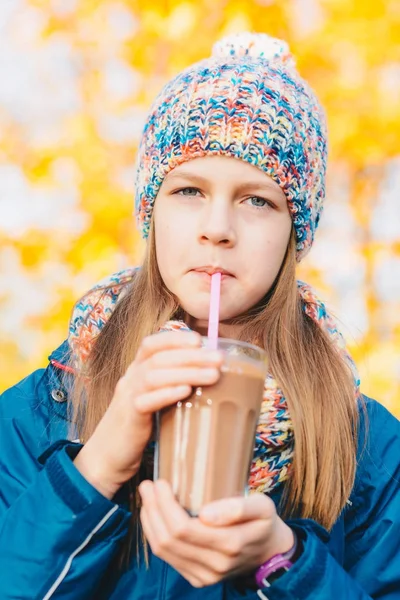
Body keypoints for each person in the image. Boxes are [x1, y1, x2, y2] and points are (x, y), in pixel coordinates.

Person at [0, 31, 399, 600]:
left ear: (295, 233)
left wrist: (283, 565)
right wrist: (100, 464)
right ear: (152, 212)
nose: (217, 228)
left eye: (257, 200)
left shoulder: (370, 452)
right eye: (188, 191)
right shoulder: (39, 413)